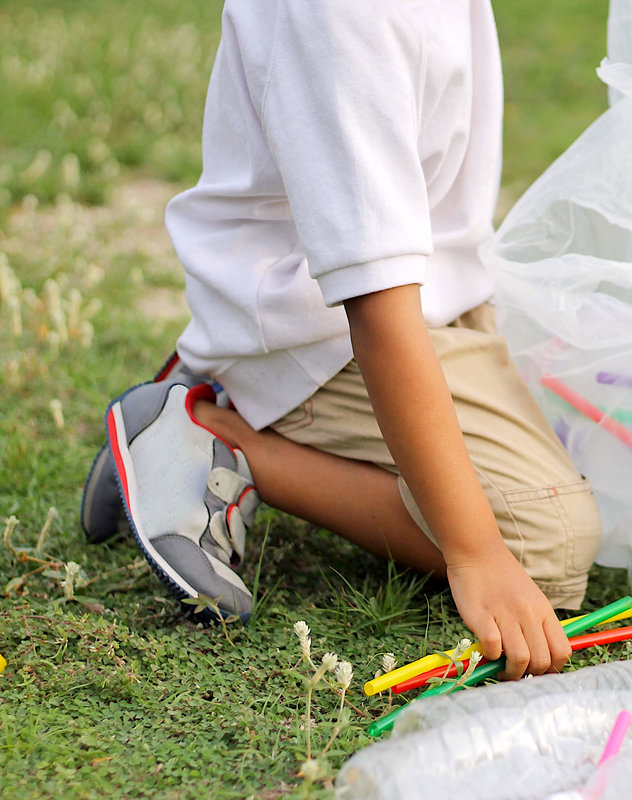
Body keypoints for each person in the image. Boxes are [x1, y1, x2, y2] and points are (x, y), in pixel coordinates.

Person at [81, 0, 603, 680]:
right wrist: (478, 554)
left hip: (430, 297)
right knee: (551, 541)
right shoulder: (346, 15)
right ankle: (211, 431)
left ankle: (223, 403)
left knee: (598, 427)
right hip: (316, 339)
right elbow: (376, 306)